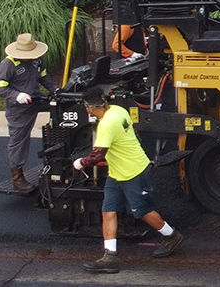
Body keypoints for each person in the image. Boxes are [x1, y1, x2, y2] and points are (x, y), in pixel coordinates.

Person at [74, 86, 185, 273]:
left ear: (90, 108)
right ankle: (109, 257)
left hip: (133, 172)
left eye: (86, 107)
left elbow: (97, 155)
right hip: (117, 173)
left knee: (143, 211)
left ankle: (172, 235)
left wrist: (80, 163)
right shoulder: (119, 110)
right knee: (108, 211)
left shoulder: (107, 124)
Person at [0, 33, 60, 193]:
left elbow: (44, 77)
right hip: (19, 108)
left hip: (36, 99)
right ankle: (18, 178)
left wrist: (56, 90)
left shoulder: (37, 60)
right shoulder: (8, 65)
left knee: (64, 110)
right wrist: (16, 96)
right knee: (18, 140)